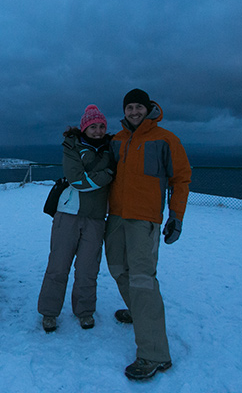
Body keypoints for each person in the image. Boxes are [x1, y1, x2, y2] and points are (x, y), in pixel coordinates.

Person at [104, 88, 191, 381]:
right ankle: (139, 312)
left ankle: (154, 355)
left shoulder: (165, 139)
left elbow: (181, 178)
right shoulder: (116, 140)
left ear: (149, 108)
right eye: (129, 107)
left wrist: (176, 216)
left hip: (145, 219)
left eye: (139, 107)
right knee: (118, 268)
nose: (134, 112)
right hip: (116, 215)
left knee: (142, 279)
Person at [37, 104, 114, 333]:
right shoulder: (72, 146)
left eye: (101, 126)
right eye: (93, 126)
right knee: (58, 267)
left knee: (88, 269)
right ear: (84, 128)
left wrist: (97, 176)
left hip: (97, 217)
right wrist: (107, 175)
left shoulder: (112, 148)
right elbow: (77, 180)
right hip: (68, 214)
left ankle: (85, 311)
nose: (98, 131)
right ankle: (49, 312)